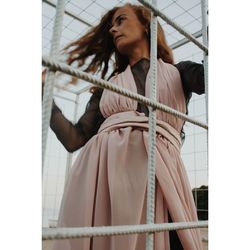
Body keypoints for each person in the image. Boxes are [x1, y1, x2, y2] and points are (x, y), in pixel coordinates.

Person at [43, 3, 205, 250]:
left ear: (146, 24)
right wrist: (45, 95)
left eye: (120, 20)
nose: (113, 29)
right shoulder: (108, 87)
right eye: (111, 25)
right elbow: (74, 139)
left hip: (162, 179)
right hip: (104, 183)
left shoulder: (179, 72)